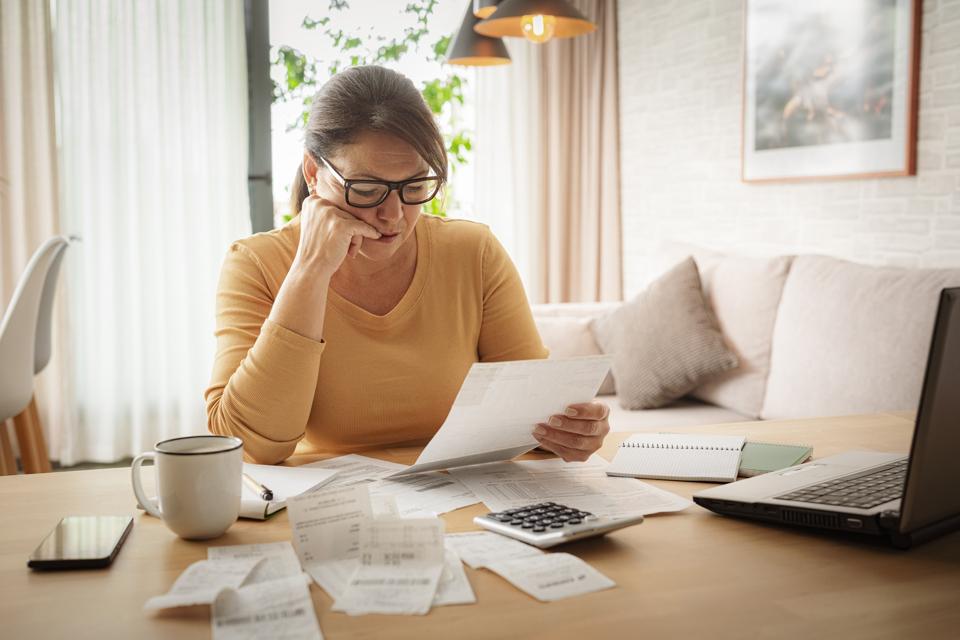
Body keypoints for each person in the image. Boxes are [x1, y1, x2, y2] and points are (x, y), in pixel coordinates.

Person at [205, 65, 610, 464]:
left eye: (415, 186)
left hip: (465, 500)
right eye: (367, 189)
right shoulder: (257, 264)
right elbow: (247, 446)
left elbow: (526, 415)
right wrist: (309, 271)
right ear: (314, 172)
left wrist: (566, 432)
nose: (394, 215)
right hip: (332, 512)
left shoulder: (474, 251)